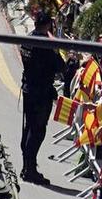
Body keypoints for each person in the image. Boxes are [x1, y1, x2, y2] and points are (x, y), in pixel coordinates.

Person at [20, 11, 73, 183]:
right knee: (37, 131)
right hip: (41, 92)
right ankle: (30, 170)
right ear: (48, 25)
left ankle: (26, 167)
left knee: (29, 128)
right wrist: (55, 48)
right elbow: (61, 67)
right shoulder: (45, 45)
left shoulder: (27, 40)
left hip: (29, 88)